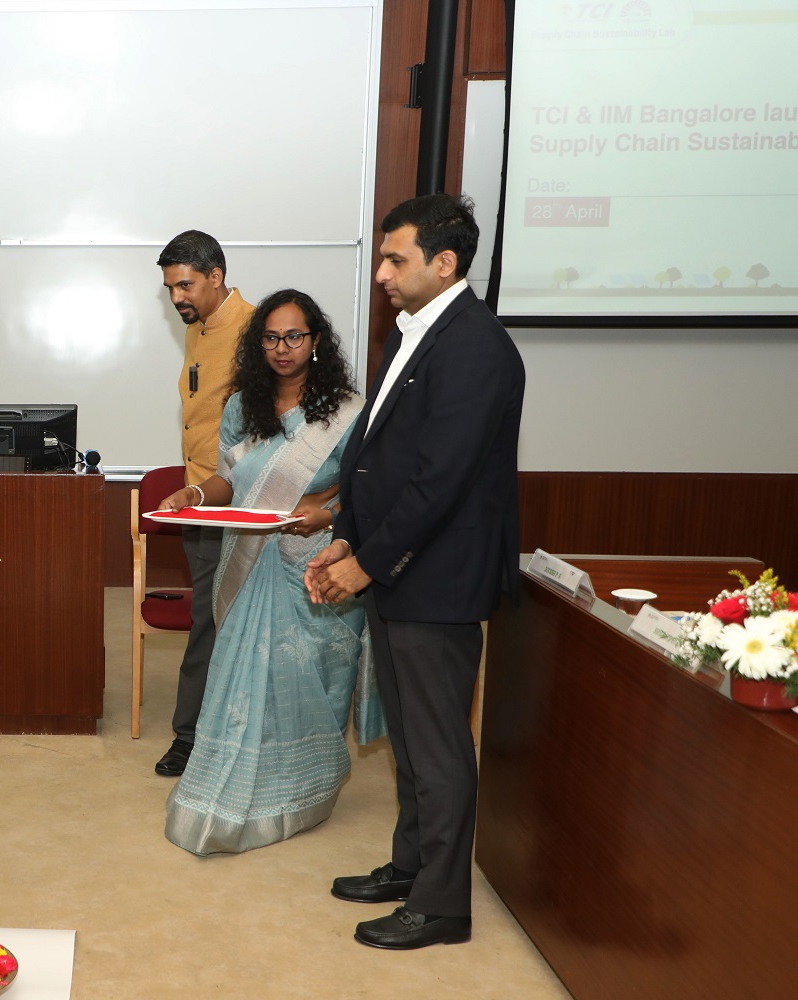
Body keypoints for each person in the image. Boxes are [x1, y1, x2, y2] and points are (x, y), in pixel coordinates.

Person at [306, 194, 524, 950]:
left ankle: (442, 906)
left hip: (437, 577)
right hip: (399, 568)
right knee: (407, 738)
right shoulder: (419, 333)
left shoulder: (475, 346)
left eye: (395, 258)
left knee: (436, 747)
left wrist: (367, 562)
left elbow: (441, 480)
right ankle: (410, 865)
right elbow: (375, 458)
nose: (380, 273)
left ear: (445, 262)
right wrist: (346, 538)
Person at [159, 289, 384, 855]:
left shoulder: (348, 411)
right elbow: (230, 480)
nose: (282, 349)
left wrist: (327, 514)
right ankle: (236, 791)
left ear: (315, 342)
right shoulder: (242, 406)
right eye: (271, 337)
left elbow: (366, 492)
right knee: (241, 676)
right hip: (251, 556)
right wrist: (194, 492)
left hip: (320, 561)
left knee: (314, 678)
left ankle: (306, 789)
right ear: (257, 343)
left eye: (294, 337)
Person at [154, 230, 255, 777]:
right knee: (207, 619)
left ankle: (194, 738)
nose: (177, 299)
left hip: (237, 503)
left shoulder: (256, 330)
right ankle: (199, 734)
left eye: (185, 285)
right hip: (198, 499)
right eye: (170, 288)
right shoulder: (200, 327)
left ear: (216, 276)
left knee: (219, 624)